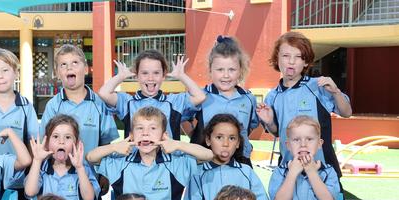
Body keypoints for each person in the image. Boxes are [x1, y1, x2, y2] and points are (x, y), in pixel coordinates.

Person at [257, 31, 352, 176]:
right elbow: (276, 131)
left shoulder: (319, 86)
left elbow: (347, 113)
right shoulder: (272, 96)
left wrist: (336, 92)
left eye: (298, 57)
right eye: (286, 56)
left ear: (306, 61)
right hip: (290, 170)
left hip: (323, 170)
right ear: (277, 59)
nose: (291, 61)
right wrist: (270, 122)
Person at [25, 114, 100, 200]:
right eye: (55, 137)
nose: (61, 142)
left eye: (67, 137)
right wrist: (36, 161)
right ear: (47, 143)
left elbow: (89, 198)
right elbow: (30, 191)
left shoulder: (82, 169)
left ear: (76, 144)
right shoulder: (41, 169)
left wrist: (79, 168)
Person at [98, 49, 205, 140]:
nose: (150, 78)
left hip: (169, 162)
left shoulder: (174, 101)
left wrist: (181, 76)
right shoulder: (127, 102)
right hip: (135, 162)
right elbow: (104, 93)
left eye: (156, 73)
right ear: (136, 76)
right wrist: (120, 76)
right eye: (144, 73)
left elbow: (200, 96)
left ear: (163, 75)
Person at [188, 36, 260, 165]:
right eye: (220, 70)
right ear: (210, 70)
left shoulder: (249, 99)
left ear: (240, 71)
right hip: (206, 160)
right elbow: (180, 117)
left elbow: (248, 128)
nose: (226, 75)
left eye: (231, 70)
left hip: (239, 160)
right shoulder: (201, 96)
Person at [40, 44, 118, 155]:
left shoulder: (99, 103)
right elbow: (45, 142)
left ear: (86, 69)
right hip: (62, 171)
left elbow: (107, 144)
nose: (69, 67)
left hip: (91, 170)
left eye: (75, 63)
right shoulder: (53, 105)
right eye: (63, 64)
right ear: (57, 73)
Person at [0, 47, 39, 156]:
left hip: (20, 172)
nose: (0, 76)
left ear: (16, 73)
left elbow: (33, 142)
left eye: (5, 70)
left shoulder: (26, 107)